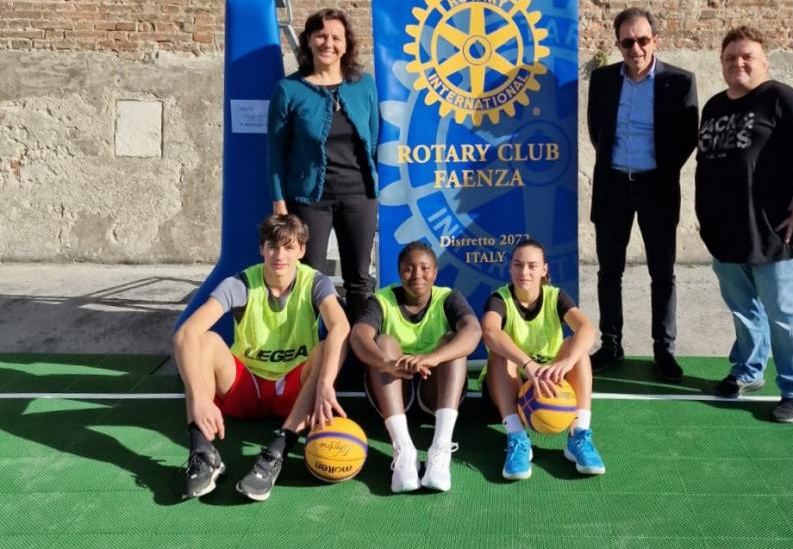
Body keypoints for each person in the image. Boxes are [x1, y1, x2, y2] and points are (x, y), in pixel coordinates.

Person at [695, 25, 793, 423]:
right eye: (729, 57)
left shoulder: (781, 98)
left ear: (763, 61)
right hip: (727, 236)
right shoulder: (715, 106)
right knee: (744, 313)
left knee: (786, 317)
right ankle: (748, 371)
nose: (738, 63)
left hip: (776, 235)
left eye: (746, 57)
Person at [173, 213, 350, 501]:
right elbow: (183, 335)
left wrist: (327, 383)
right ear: (261, 249)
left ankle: (277, 451)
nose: (280, 255)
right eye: (272, 246)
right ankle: (203, 451)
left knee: (332, 344)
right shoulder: (241, 283)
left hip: (294, 391)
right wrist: (199, 398)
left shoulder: (314, 282)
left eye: (289, 247)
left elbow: (341, 326)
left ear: (302, 251)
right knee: (204, 341)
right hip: (246, 386)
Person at [586, 7, 699, 380]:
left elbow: (686, 138)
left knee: (662, 273)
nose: (636, 48)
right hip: (613, 185)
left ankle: (663, 350)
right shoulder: (602, 80)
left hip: (657, 186)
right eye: (627, 41)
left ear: (655, 41)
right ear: (618, 44)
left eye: (643, 40)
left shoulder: (680, 82)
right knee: (609, 272)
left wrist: (659, 170)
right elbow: (596, 131)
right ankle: (611, 344)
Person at [267, 8, 380, 319]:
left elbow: (372, 139)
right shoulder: (289, 90)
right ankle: (310, 356)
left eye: (335, 37)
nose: (328, 43)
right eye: (321, 36)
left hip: (359, 195)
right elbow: (275, 153)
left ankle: (360, 357)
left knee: (359, 279)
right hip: (309, 200)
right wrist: (280, 204)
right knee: (309, 278)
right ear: (309, 41)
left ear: (346, 44)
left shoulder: (364, 85)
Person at [349, 242, 481, 494]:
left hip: (435, 392)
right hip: (397, 391)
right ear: (399, 272)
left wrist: (433, 357)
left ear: (435, 272)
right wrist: (386, 363)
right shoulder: (382, 300)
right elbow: (359, 336)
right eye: (409, 269)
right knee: (384, 342)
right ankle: (403, 451)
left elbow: (474, 332)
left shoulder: (448, 297)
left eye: (424, 268)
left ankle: (441, 450)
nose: (417, 275)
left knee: (453, 339)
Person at [481, 238, 605, 480]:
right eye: (517, 265)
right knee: (499, 350)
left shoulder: (555, 297)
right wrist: (529, 365)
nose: (524, 272)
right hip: (508, 386)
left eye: (531, 266)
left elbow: (587, 329)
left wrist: (566, 363)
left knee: (575, 347)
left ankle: (579, 434)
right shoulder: (499, 299)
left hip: (548, 382)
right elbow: (489, 331)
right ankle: (517, 437)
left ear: (544, 270)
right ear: (510, 268)